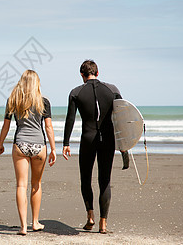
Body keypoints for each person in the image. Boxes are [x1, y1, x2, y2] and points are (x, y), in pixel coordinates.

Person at [62, 60, 125, 234]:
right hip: (108, 140)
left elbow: (70, 119)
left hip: (88, 139)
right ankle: (103, 223)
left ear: (82, 75)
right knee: (104, 180)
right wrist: (124, 144)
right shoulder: (113, 90)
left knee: (86, 178)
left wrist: (66, 143)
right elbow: (121, 118)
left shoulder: (76, 92)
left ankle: (90, 216)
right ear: (98, 73)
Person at [0, 69, 57, 236]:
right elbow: (49, 127)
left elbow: (6, 126)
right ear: (37, 83)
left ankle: (23, 226)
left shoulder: (13, 100)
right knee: (36, 184)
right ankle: (35, 222)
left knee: (21, 185)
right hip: (39, 146)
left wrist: (0, 144)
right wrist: (53, 149)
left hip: (20, 145)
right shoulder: (43, 101)